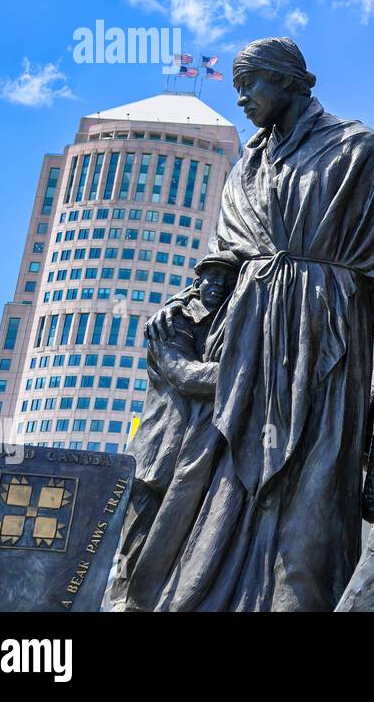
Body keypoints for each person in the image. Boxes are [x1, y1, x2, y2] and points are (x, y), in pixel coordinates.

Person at [142, 36, 374, 611]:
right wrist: (191, 303)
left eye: (252, 85)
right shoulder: (248, 162)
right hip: (245, 332)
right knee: (223, 473)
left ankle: (299, 599)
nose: (242, 98)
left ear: (289, 81)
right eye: (237, 86)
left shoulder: (358, 148)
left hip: (325, 329)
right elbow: (225, 255)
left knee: (314, 479)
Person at [109, 253, 236, 612]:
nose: (217, 287)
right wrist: (248, 371)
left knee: (182, 544)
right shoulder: (173, 321)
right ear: (197, 283)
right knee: (137, 544)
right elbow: (184, 374)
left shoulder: (226, 323)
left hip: (193, 456)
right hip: (158, 451)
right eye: (211, 279)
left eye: (226, 282)